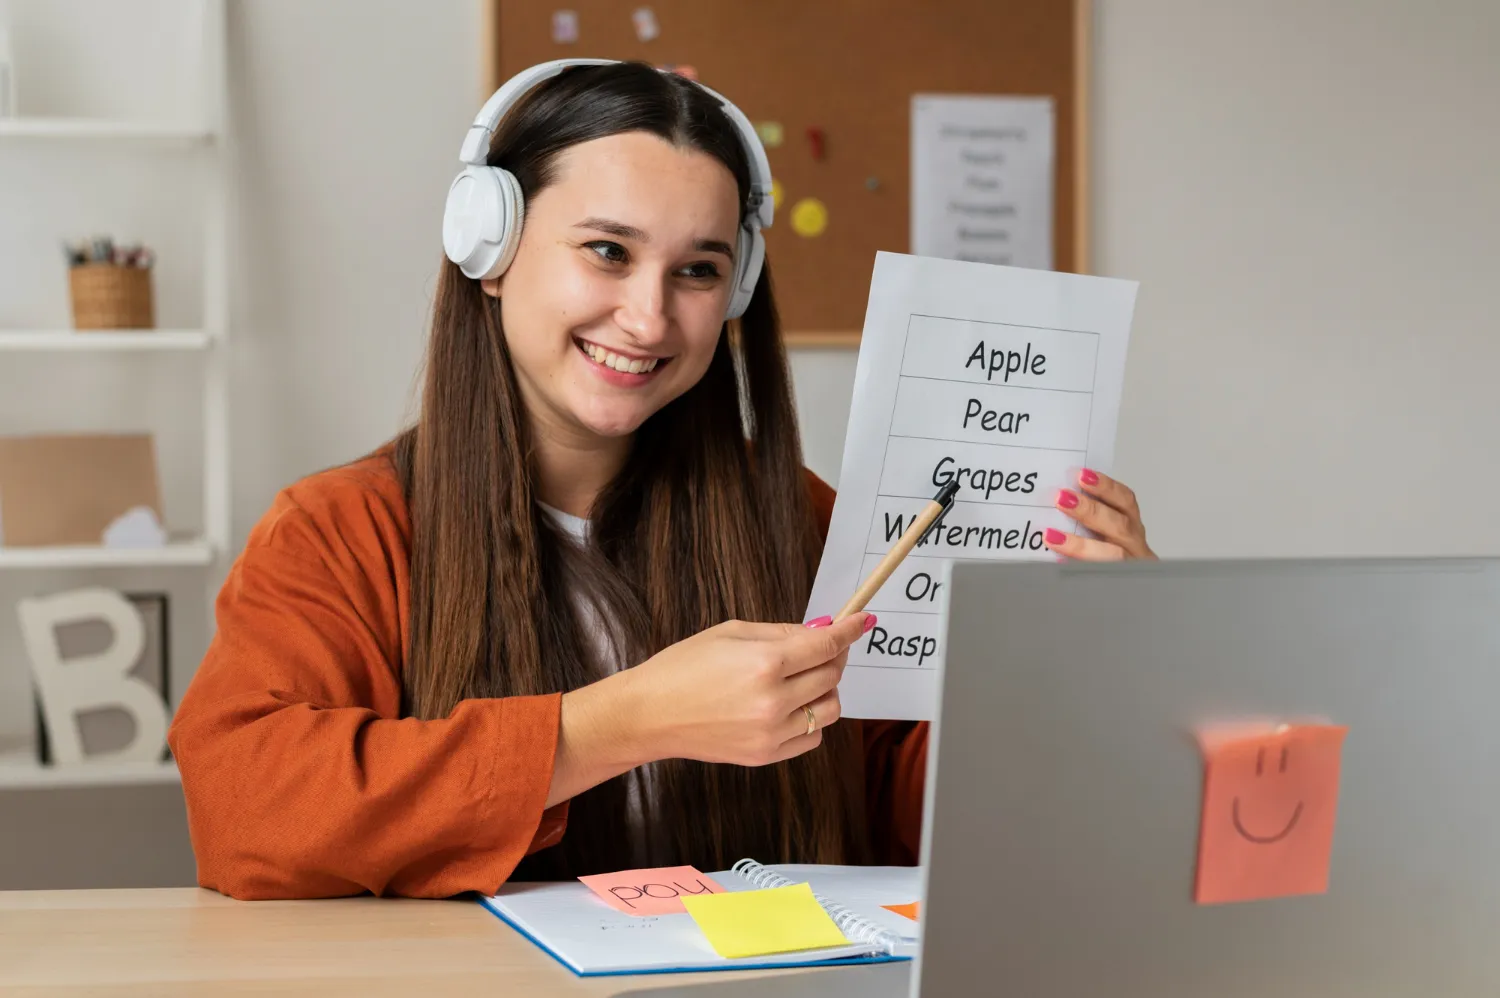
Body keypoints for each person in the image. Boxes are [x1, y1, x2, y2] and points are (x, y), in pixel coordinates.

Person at [168, 60, 1155, 901]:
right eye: (607, 251)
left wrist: (1094, 654)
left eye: (697, 271)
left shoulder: (807, 524)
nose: (647, 318)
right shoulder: (339, 531)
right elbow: (244, 806)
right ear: (491, 250)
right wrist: (612, 725)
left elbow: (940, 809)